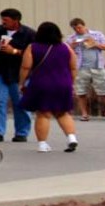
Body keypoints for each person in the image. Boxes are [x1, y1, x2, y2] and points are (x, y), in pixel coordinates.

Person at [19, 20, 79, 152]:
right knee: (63, 112)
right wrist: (71, 82)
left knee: (43, 113)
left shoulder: (32, 47)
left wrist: (21, 82)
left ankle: (42, 144)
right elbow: (74, 67)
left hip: (41, 83)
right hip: (63, 83)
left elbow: (26, 67)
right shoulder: (66, 47)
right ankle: (71, 137)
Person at [0, 8, 35, 142]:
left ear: (16, 21)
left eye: (6, 20)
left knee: (20, 102)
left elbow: (34, 55)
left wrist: (15, 51)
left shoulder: (29, 34)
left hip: (20, 73)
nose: (3, 22)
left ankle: (22, 133)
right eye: (2, 19)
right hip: (0, 70)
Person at [65, 18, 105, 119]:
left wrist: (95, 44)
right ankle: (84, 114)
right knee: (81, 91)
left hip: (97, 66)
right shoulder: (71, 38)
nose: (78, 30)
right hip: (81, 68)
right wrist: (72, 46)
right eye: (75, 29)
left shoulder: (97, 34)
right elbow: (65, 52)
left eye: (79, 27)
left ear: (84, 25)